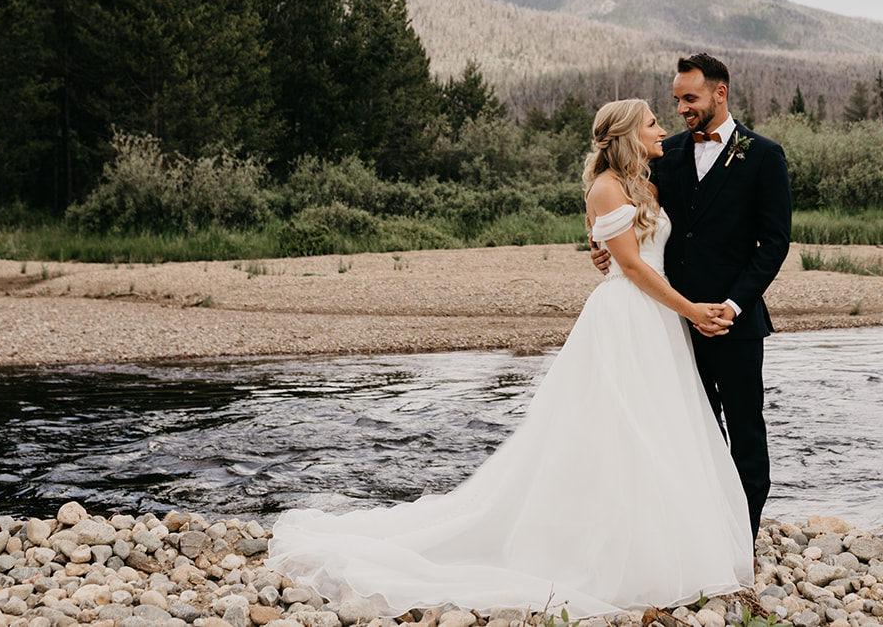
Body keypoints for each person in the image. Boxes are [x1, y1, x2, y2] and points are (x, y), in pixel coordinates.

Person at [267, 99, 753, 618]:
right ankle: (607, 553)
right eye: (653, 123)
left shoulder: (643, 184)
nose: (664, 129)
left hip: (655, 324)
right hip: (628, 317)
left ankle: (664, 541)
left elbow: (630, 247)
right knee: (615, 431)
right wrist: (692, 311)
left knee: (656, 429)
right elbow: (630, 268)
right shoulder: (606, 187)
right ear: (630, 134)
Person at [591, 53, 792, 540]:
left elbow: (775, 243)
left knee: (745, 431)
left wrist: (734, 305)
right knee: (690, 431)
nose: (681, 108)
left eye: (690, 98)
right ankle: (699, 534)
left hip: (734, 322)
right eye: (676, 99)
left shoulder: (763, 155)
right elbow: (625, 216)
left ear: (719, 94)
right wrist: (600, 251)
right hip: (670, 324)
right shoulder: (667, 154)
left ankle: (742, 540)